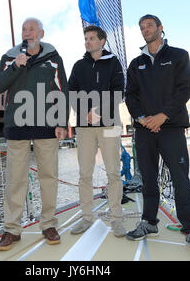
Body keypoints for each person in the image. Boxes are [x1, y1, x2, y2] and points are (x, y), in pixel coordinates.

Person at [124, 14, 190, 258]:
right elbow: (130, 95)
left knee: (180, 179)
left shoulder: (178, 55)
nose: (145, 30)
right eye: (141, 27)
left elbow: (185, 89)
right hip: (144, 130)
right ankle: (149, 221)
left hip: (171, 127)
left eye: (149, 25)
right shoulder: (136, 63)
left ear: (160, 28)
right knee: (148, 178)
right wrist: (142, 118)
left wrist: (163, 115)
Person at [0, 17, 69, 251]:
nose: (28, 32)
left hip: (46, 125)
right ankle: (12, 230)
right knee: (16, 179)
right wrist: (16, 65)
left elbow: (62, 90)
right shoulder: (10, 57)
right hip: (17, 125)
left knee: (49, 177)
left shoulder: (53, 58)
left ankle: (48, 224)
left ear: (41, 33)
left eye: (32, 28)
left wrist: (62, 122)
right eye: (24, 29)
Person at [68, 25, 126, 237]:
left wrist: (99, 111)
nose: (87, 41)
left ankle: (117, 219)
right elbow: (71, 91)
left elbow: (119, 91)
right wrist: (86, 113)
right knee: (85, 174)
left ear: (102, 41)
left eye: (91, 38)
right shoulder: (78, 65)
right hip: (85, 128)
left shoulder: (113, 63)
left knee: (113, 172)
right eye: (86, 38)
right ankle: (86, 217)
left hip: (110, 124)